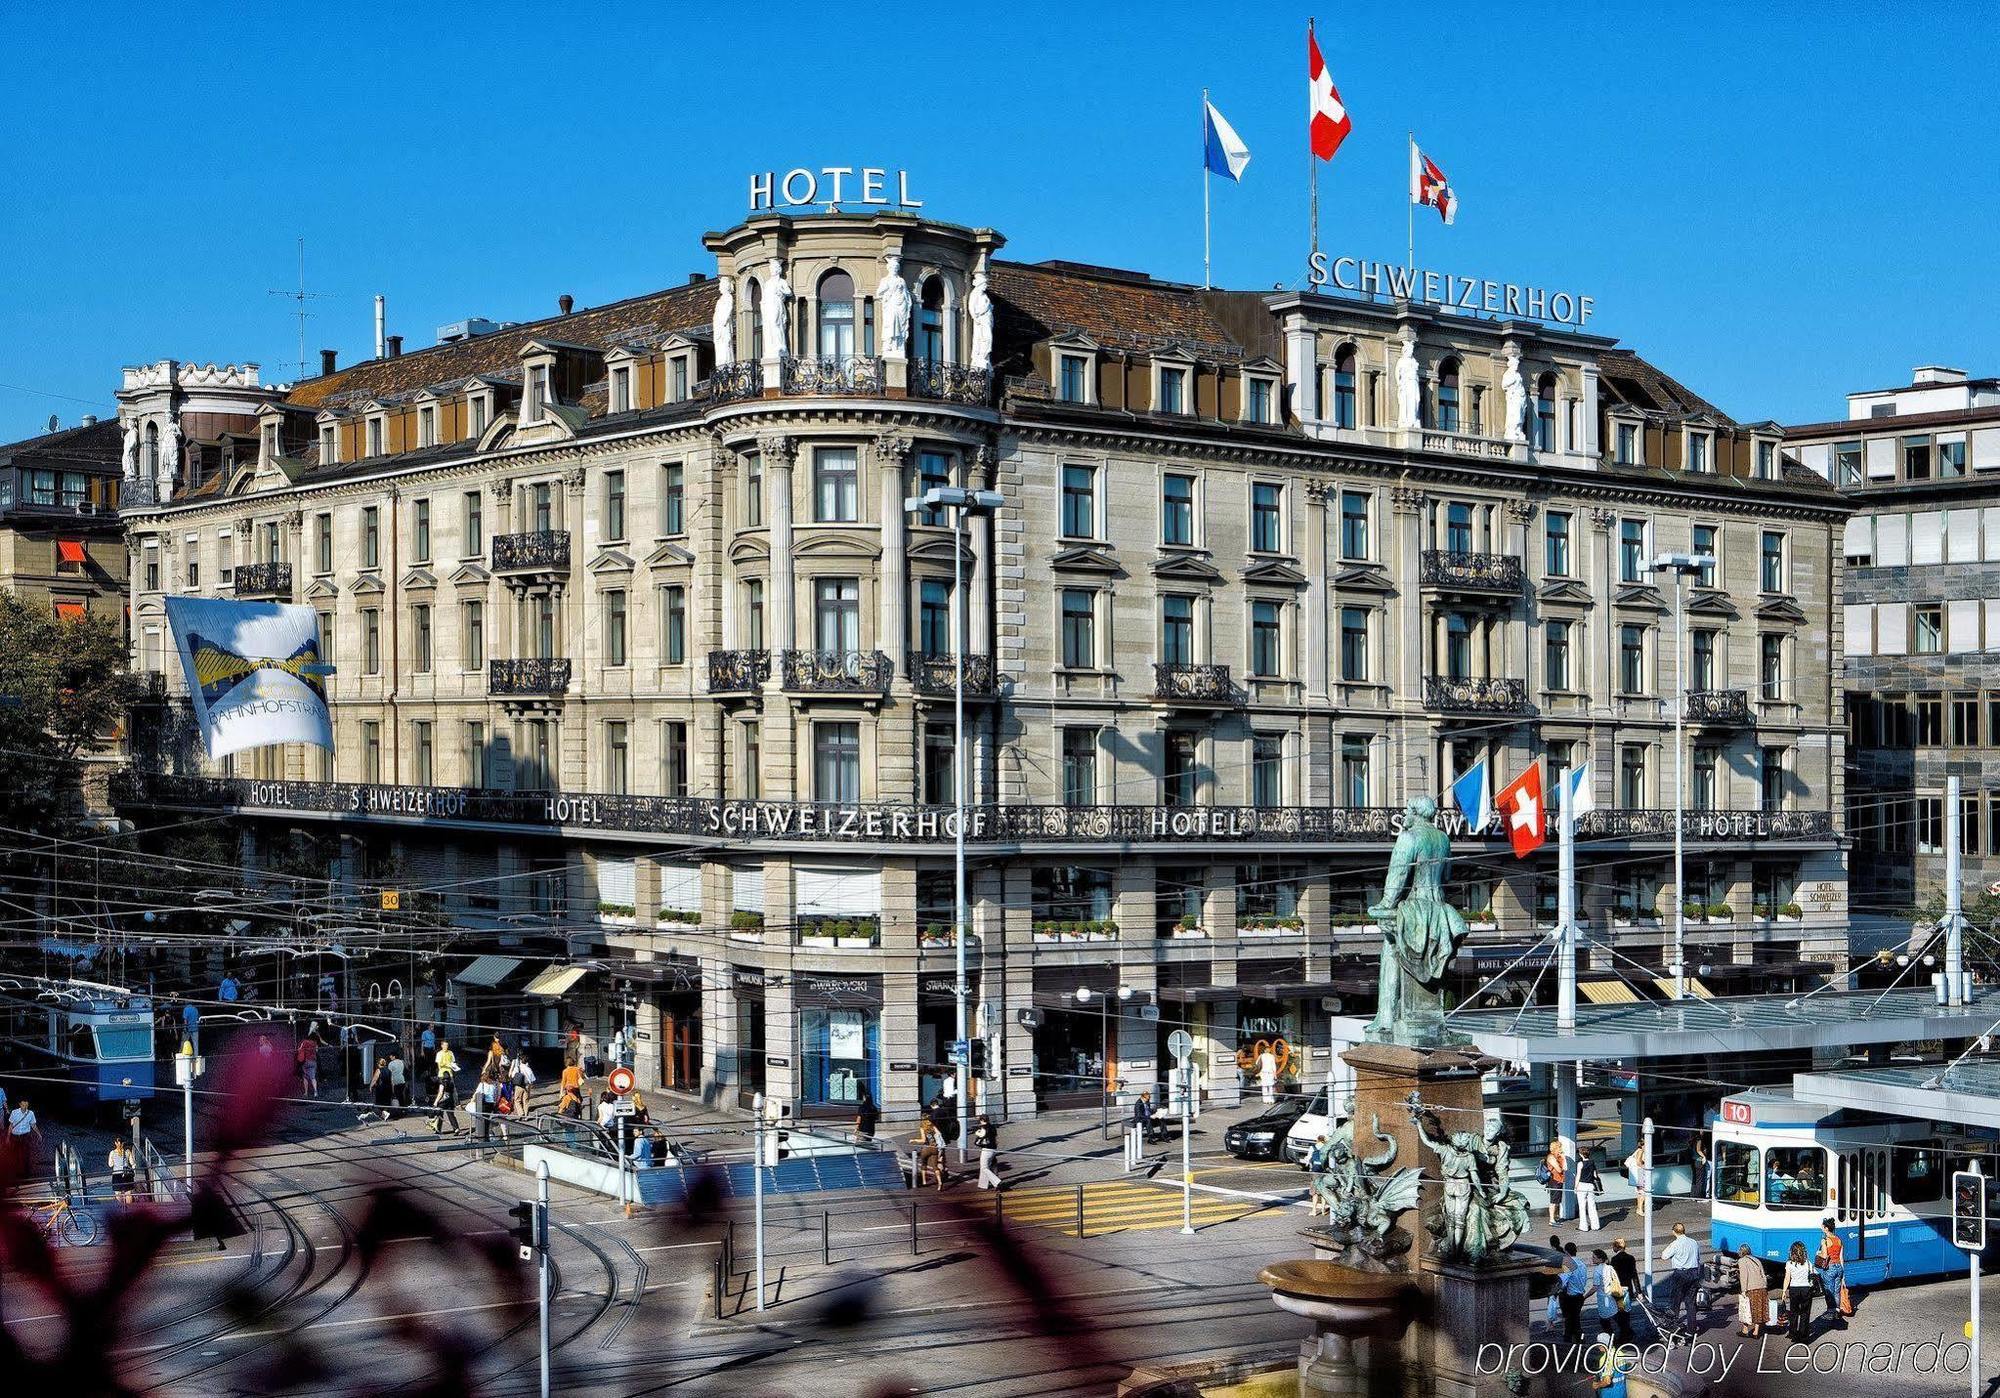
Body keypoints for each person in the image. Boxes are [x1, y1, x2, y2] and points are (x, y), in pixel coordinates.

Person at [1661, 1222, 1703, 1332]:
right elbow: (1698, 1258)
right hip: (1693, 1273)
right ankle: (1691, 1329)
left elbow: (1664, 1256)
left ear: (1673, 1232)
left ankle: (1673, 1327)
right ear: (1684, 1231)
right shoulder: (1694, 1242)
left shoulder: (1675, 1244)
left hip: (1681, 1274)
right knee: (1691, 1303)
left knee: (1676, 1302)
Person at [1556, 1240, 1590, 1345]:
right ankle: (1578, 1340)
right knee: (1575, 1319)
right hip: (1579, 1296)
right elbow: (1584, 1279)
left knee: (1569, 1320)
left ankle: (1569, 1342)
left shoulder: (1568, 1263)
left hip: (1569, 1297)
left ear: (1566, 1252)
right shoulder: (1582, 1264)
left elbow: (1563, 1281)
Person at [1816, 1218, 1848, 1327]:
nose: (1821, 1228)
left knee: (1829, 1291)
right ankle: (1837, 1312)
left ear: (1826, 1228)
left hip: (1829, 1268)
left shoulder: (1824, 1240)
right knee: (1836, 1291)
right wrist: (1843, 1274)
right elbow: (1841, 1257)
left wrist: (1818, 1253)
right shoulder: (1839, 1240)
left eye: (1822, 1226)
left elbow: (1824, 1256)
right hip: (1839, 1267)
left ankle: (1830, 1312)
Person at [1783, 1240, 1815, 1341]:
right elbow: (1814, 1274)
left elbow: (1787, 1278)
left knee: (1794, 1312)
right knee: (1805, 1312)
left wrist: (1784, 1291)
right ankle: (1803, 1336)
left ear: (1792, 1252)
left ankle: (1793, 1333)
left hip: (1794, 1289)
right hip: (1806, 1289)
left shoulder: (1789, 1263)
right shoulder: (1808, 1263)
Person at [1736, 1244, 1769, 1338]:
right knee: (1758, 1309)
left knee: (1746, 1308)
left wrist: (1743, 1290)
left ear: (1741, 1252)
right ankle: (1756, 1332)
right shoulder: (1756, 1259)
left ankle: (1745, 1330)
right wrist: (1764, 1286)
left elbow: (1744, 1276)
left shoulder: (1742, 1261)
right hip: (1762, 1287)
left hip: (1751, 1288)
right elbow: (1763, 1274)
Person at [1592, 1247, 1625, 1338]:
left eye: (1594, 1257)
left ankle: (1611, 1339)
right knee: (1615, 1316)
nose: (1592, 1259)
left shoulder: (1597, 1271)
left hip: (1604, 1299)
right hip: (1612, 1296)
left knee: (1604, 1320)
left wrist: (1584, 1297)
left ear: (1600, 1259)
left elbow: (1595, 1287)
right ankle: (1625, 1332)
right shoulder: (1609, 1267)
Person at [1592, 1333, 1633, 1398]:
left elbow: (1607, 1381)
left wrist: (1597, 1385)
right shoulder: (1620, 1353)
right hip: (1621, 1392)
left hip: (1609, 1394)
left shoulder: (1604, 1359)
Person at [5, 1098, 38, 1171]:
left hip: (25, 1136)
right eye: (23, 1105)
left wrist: (39, 1134)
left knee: (26, 1153)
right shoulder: (14, 1112)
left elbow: (33, 1125)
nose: (25, 1107)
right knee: (15, 1153)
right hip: (15, 1136)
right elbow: (11, 1125)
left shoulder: (31, 1113)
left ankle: (26, 1170)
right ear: (20, 1104)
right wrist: (8, 1137)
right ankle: (15, 1169)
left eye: (26, 1105)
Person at [912, 1118, 944, 1191]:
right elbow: (939, 1134)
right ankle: (940, 1182)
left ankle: (924, 1181)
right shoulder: (933, 1126)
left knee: (924, 1164)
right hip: (934, 1148)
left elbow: (923, 1140)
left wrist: (914, 1140)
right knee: (935, 1166)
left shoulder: (922, 1128)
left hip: (926, 1148)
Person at [972, 1114, 1002, 1190]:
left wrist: (976, 1131)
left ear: (982, 1120)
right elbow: (996, 1138)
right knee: (986, 1166)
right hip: (993, 1149)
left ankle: (997, 1182)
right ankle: (982, 1184)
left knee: (984, 1167)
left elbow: (980, 1134)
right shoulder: (993, 1127)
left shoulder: (983, 1128)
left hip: (986, 1149)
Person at [1575, 1149, 1602, 1232]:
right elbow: (1595, 1175)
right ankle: (1596, 1226)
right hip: (1590, 1186)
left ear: (1581, 1154)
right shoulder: (1592, 1162)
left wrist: (1575, 1187)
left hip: (1582, 1186)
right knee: (1592, 1206)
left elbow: (1578, 1176)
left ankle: (1584, 1227)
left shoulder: (1580, 1163)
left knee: (1582, 1207)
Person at [1544, 1140, 1568, 1226]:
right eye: (1560, 1147)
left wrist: (1564, 1158)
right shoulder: (1551, 1157)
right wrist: (1561, 1161)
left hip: (1560, 1180)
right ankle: (1551, 1220)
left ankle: (1554, 1218)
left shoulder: (1559, 1157)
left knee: (1557, 1200)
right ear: (1556, 1148)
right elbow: (1559, 1169)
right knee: (1553, 1201)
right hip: (1554, 1181)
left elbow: (1565, 1168)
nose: (1561, 1149)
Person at [1624, 1145, 1651, 1217]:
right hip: (1640, 1173)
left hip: (1638, 1174)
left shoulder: (1637, 1151)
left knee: (1640, 1193)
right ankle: (1640, 1209)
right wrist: (1647, 1168)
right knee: (1643, 1192)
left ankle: (1639, 1209)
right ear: (1642, 1145)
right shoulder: (1641, 1151)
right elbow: (1638, 1162)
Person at [108, 1138, 137, 1203]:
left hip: (117, 1175)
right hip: (127, 1174)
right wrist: (134, 1172)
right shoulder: (127, 1151)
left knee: (118, 1194)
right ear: (123, 1143)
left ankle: (121, 1210)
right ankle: (129, 1210)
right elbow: (133, 1163)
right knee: (128, 1193)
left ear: (115, 1143)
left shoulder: (112, 1153)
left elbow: (110, 1164)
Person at [296, 1030, 321, 1098]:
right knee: (313, 1077)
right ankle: (315, 1092)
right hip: (313, 1061)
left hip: (306, 1061)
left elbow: (299, 1049)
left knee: (305, 1077)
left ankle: (306, 1092)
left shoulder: (304, 1042)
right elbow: (317, 1051)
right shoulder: (315, 1043)